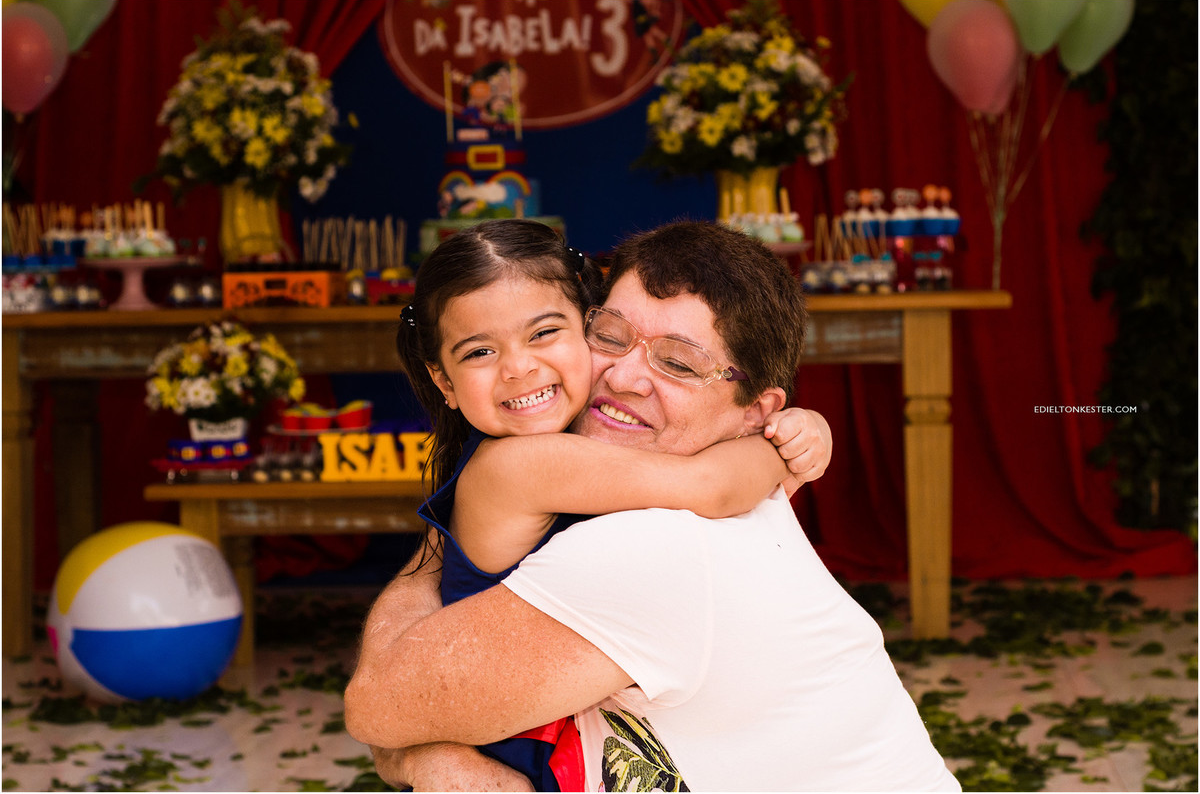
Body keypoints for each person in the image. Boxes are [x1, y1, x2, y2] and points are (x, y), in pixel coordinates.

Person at [345, 220, 959, 792]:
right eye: (609, 336)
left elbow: (379, 710)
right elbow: (716, 485)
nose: (623, 377)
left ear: (755, 410)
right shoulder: (555, 472)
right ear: (443, 380)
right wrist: (785, 450)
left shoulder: (654, 547)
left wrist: (422, 754)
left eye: (677, 363)